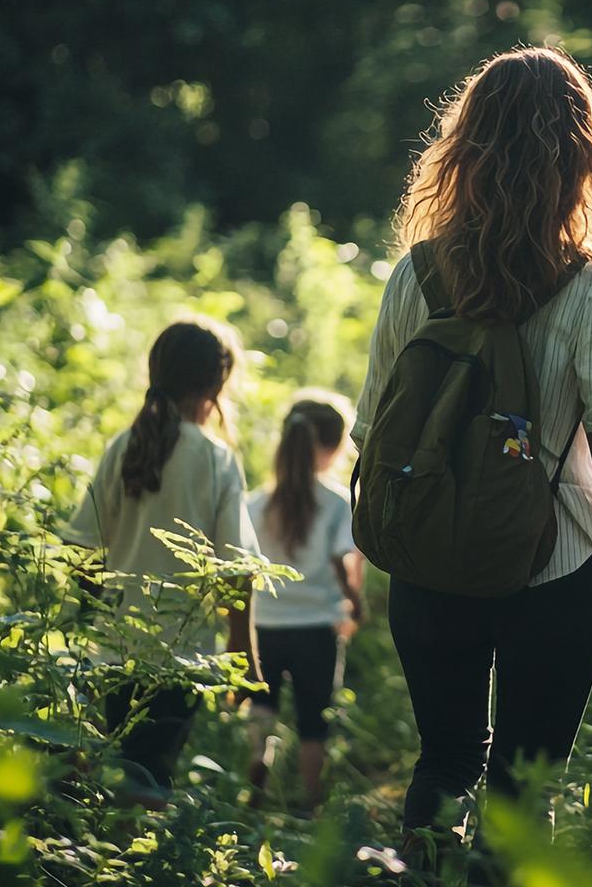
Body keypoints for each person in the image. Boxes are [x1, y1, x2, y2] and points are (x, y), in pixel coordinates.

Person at [353, 47, 592, 848]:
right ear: (582, 155)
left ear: (464, 149)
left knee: (444, 757)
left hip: (430, 556)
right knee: (526, 789)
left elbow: (371, 433)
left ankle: (417, 873)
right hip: (555, 568)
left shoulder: (413, 277)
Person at [63, 319, 259, 805]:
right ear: (217, 384)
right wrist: (243, 650)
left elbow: (83, 551)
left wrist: (92, 627)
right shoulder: (215, 459)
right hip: (179, 657)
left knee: (118, 772)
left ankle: (103, 861)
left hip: (112, 653)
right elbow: (236, 566)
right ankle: (127, 865)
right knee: (151, 778)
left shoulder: (123, 446)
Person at [246, 393, 363, 813]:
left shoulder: (255, 503)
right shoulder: (336, 502)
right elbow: (340, 559)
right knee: (315, 722)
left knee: (262, 709)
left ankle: (255, 792)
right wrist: (355, 604)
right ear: (333, 449)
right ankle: (313, 805)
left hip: (263, 625)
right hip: (317, 627)